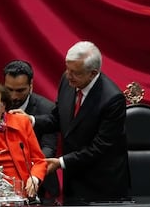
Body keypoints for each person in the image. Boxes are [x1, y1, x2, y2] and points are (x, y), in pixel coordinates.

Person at [12, 41, 130, 202]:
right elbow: (57, 118)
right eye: (68, 69)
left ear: (93, 73)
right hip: (73, 181)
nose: (68, 75)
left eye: (75, 72)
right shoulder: (68, 81)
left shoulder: (112, 99)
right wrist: (31, 120)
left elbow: (100, 148)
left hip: (102, 185)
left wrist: (60, 162)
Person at [3, 60, 60, 204]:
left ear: (31, 86)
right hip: (4, 184)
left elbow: (48, 149)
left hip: (40, 184)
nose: (14, 96)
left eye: (20, 90)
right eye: (9, 90)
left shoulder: (47, 109)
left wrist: (29, 171)